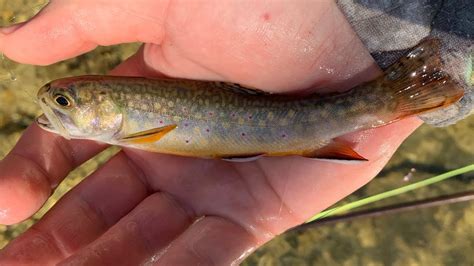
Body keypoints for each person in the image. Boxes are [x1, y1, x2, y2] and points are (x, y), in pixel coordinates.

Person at [0, 1, 421, 265]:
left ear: (110, 105)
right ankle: (394, 94)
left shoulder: (136, 132)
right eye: (61, 104)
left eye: (64, 103)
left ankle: (391, 96)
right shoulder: (131, 125)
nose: (56, 110)